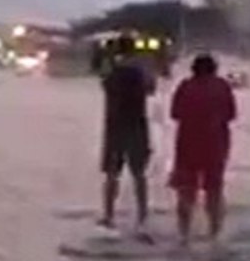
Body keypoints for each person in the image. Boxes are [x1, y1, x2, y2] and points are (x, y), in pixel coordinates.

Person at [169, 53, 238, 249]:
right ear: (214, 69)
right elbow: (231, 115)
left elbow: (175, 114)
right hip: (215, 145)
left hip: (187, 145)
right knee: (214, 191)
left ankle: (184, 234)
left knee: (186, 192)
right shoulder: (222, 87)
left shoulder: (185, 87)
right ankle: (214, 234)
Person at [97, 34, 155, 237]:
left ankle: (108, 215)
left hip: (115, 127)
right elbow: (151, 88)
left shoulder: (111, 70)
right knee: (139, 174)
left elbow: (104, 85)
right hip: (137, 125)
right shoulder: (141, 70)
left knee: (112, 174)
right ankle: (142, 216)